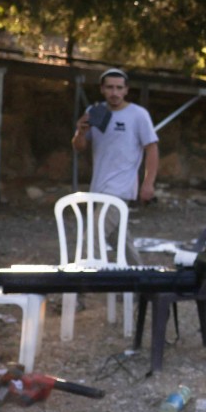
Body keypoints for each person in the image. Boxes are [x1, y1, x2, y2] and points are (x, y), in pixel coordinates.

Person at [71, 67, 159, 264]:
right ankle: (142, 285)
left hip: (120, 189)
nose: (114, 92)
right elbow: (79, 147)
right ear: (102, 89)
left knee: (91, 239)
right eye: (110, 87)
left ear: (126, 90)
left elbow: (151, 149)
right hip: (98, 188)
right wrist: (80, 132)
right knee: (120, 241)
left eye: (119, 88)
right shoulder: (96, 112)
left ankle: (82, 288)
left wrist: (148, 183)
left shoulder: (138, 114)